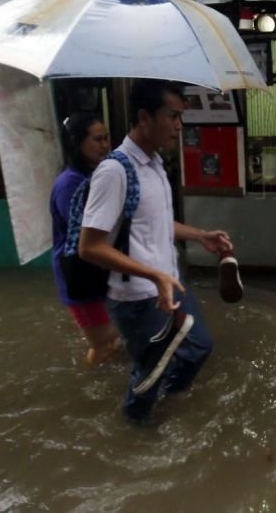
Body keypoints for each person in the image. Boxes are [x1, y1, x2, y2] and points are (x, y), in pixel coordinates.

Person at [78, 79, 234, 422]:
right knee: (148, 376)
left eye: (181, 116)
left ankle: (167, 404)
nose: (179, 125)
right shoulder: (115, 171)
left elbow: (156, 222)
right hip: (138, 298)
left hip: (169, 284)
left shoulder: (155, 163)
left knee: (198, 348)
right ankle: (136, 433)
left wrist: (199, 235)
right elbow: (89, 247)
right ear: (144, 117)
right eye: (172, 116)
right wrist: (152, 274)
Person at [49, 112, 118, 366]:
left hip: (95, 268)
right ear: (77, 143)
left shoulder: (93, 176)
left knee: (111, 340)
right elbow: (85, 231)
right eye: (97, 139)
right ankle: (90, 390)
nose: (104, 145)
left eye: (106, 138)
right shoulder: (70, 184)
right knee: (103, 343)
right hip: (78, 273)